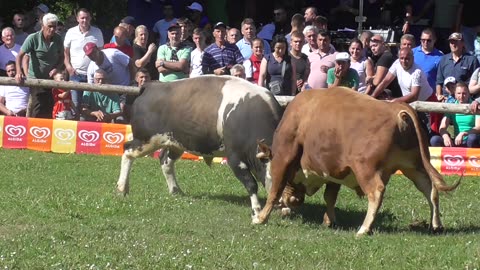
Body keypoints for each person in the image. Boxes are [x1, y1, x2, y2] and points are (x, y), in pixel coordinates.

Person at [371, 48, 436, 134]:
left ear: (413, 58)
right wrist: (372, 98)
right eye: (401, 58)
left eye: (407, 58)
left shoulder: (417, 72)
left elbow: (414, 95)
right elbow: (385, 81)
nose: (404, 61)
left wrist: (394, 101)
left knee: (431, 135)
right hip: (410, 104)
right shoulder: (397, 63)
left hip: (427, 105)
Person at [15, 13, 64, 119]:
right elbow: (20, 56)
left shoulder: (58, 39)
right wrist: (19, 72)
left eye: (54, 26)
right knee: (37, 107)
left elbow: (62, 57)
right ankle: (33, 130)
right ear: (43, 26)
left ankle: (45, 132)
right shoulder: (32, 38)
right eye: (49, 26)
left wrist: (57, 68)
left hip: (51, 80)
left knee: (49, 107)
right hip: (36, 79)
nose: (52, 29)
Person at [63, 8, 104, 115]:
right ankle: (74, 130)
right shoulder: (70, 32)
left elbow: (101, 53)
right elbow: (65, 52)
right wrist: (68, 67)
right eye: (82, 18)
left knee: (90, 106)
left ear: (90, 18)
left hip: (92, 75)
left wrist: (98, 70)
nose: (84, 20)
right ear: (77, 19)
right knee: (75, 105)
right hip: (75, 74)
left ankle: (88, 130)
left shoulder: (97, 32)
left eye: (87, 18)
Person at [431, 82, 480, 148]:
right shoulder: (452, 107)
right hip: (457, 140)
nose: (461, 96)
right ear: (455, 94)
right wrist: (445, 136)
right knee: (435, 140)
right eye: (459, 93)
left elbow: (478, 127)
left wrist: (463, 133)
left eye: (464, 93)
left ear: (468, 94)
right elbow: (442, 127)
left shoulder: (475, 106)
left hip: (470, 140)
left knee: (472, 138)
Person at [436, 32, 479, 101]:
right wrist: (439, 95)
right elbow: (439, 81)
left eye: (455, 42)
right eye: (451, 42)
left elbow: (475, 81)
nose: (453, 44)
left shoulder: (472, 60)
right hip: (446, 99)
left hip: (464, 99)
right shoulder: (444, 59)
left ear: (462, 43)